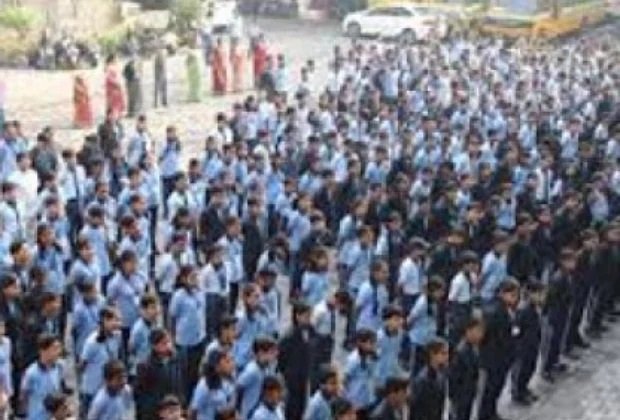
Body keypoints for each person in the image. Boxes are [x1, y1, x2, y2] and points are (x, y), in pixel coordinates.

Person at [479, 279, 520, 420]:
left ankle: (491, 411)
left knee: (497, 388)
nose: (515, 299)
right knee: (490, 389)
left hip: (503, 356)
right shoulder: (495, 311)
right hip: (495, 357)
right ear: (502, 293)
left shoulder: (507, 308)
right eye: (512, 295)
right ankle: (485, 414)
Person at [135, 328, 185, 420]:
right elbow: (142, 394)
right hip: (155, 411)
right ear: (154, 346)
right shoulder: (145, 366)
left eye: (169, 342)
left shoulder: (176, 360)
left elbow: (180, 383)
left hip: (173, 408)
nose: (168, 345)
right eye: (164, 343)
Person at [278, 301, 316, 420]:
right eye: (306, 316)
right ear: (297, 316)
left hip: (303, 375)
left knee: (302, 405)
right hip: (292, 377)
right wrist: (286, 373)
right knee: (292, 407)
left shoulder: (309, 330)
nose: (309, 319)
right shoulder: (289, 336)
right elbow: (281, 358)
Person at [20, 334, 69, 420]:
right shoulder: (32, 373)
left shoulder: (59, 367)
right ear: (43, 351)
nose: (58, 352)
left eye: (59, 348)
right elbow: (24, 395)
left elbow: (60, 388)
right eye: (54, 349)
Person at [512, 282, 545, 405]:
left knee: (530, 368)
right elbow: (516, 330)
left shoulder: (534, 307)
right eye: (539, 294)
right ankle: (518, 393)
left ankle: (524, 388)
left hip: (532, 344)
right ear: (531, 294)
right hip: (523, 347)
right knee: (521, 370)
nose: (542, 297)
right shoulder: (523, 309)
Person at [449, 317, 484, 420]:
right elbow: (454, 377)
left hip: (468, 393)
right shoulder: (462, 352)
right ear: (468, 331)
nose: (480, 335)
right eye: (478, 331)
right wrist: (454, 399)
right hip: (461, 396)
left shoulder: (473, 348)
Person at [410, 337, 449, 420]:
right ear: (432, 354)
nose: (446, 357)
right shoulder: (422, 380)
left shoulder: (441, 376)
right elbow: (416, 410)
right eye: (443, 353)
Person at [104, 54, 125, 119]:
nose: (117, 59)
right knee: (114, 105)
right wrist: (117, 83)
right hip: (113, 88)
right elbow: (108, 78)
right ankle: (113, 118)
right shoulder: (109, 67)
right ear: (112, 59)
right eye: (116, 58)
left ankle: (115, 117)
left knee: (116, 104)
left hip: (116, 88)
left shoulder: (114, 66)